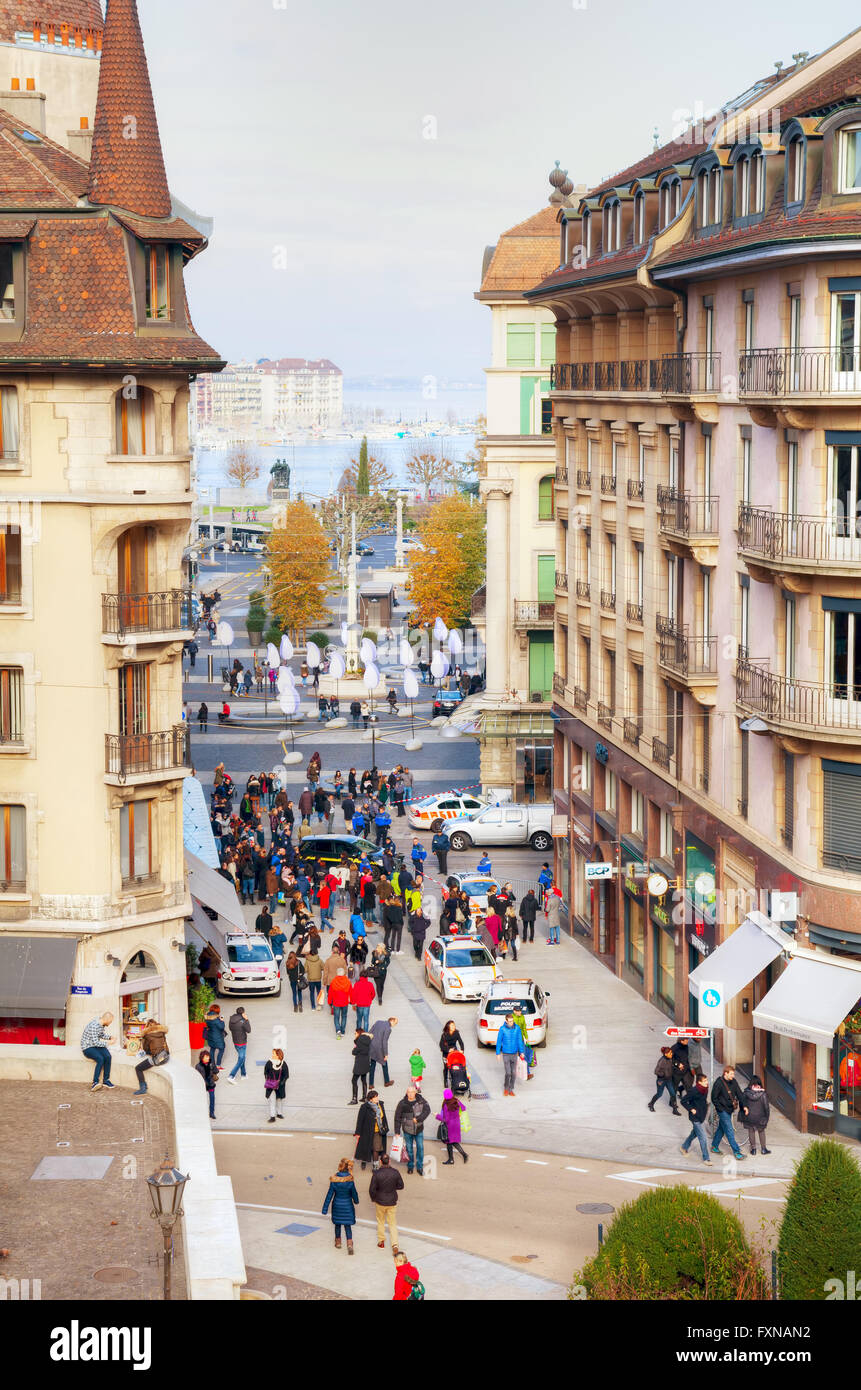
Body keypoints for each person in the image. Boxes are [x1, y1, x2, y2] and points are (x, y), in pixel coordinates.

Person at [322, 1158, 360, 1254]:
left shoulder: (334, 1180)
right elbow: (354, 1193)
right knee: (347, 1226)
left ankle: (338, 1242)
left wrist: (325, 1209)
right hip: (347, 1205)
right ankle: (349, 1244)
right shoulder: (350, 1180)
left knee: (337, 1224)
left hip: (337, 1205)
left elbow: (329, 1195)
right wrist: (356, 1201)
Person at [710, 1065, 748, 1161]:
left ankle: (714, 1146)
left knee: (721, 1129)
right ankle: (737, 1152)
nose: (733, 1076)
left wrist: (745, 1106)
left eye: (733, 1074)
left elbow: (740, 1094)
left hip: (730, 1109)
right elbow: (713, 1098)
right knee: (730, 1130)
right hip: (722, 1111)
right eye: (731, 1074)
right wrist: (720, 1109)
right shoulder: (718, 1083)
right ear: (725, 1073)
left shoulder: (733, 1081)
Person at [369, 1151, 404, 1251]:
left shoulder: (376, 1174)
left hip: (380, 1201)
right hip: (392, 1201)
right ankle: (395, 1244)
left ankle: (381, 1242)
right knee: (392, 1223)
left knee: (380, 1221)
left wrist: (373, 1198)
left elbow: (372, 1189)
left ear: (380, 1161)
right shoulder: (395, 1172)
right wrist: (393, 1187)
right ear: (389, 1161)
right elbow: (401, 1186)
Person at [394, 1085, 431, 1175]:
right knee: (409, 1149)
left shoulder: (421, 1101)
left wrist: (418, 1119)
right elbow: (397, 1118)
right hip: (407, 1130)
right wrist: (397, 1132)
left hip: (419, 1129)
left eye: (412, 1092)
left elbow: (427, 1110)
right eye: (409, 1092)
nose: (410, 1094)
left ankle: (419, 1167)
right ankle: (410, 1166)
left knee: (420, 1148)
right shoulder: (402, 1103)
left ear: (415, 1093)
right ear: (407, 1093)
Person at [679, 1071, 713, 1165]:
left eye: (706, 1080)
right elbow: (683, 1101)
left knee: (694, 1134)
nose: (707, 1082)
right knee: (703, 1138)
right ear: (699, 1082)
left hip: (702, 1115)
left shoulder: (705, 1089)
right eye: (705, 1081)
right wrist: (691, 1109)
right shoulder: (694, 1091)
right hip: (695, 1117)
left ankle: (684, 1147)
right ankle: (706, 1158)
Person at [132, 1015, 169, 1095]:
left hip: (158, 1059)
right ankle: (143, 1087)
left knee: (138, 1068)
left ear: (148, 1027)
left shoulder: (147, 1035)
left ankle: (143, 1088)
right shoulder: (162, 1033)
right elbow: (166, 1046)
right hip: (166, 1056)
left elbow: (146, 1049)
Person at [354, 1088, 388, 1171]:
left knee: (376, 1149)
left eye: (377, 1096)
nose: (377, 1098)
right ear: (370, 1099)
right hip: (367, 1131)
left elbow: (383, 1117)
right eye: (375, 1097)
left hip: (378, 1131)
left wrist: (385, 1126)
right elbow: (360, 1120)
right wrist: (357, 1132)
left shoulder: (381, 1104)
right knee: (366, 1147)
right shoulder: (365, 1107)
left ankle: (375, 1167)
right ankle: (364, 1161)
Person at [81, 1012, 116, 1092]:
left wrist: (110, 1037)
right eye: (110, 1021)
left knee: (108, 1056)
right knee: (100, 1059)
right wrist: (109, 1043)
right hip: (87, 1047)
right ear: (107, 1019)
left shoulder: (101, 1024)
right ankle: (95, 1082)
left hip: (94, 1045)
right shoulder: (94, 1026)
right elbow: (96, 1042)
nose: (110, 1023)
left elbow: (101, 1035)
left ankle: (106, 1080)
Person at [496, 1012, 525, 1097]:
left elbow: (520, 1041)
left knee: (513, 1073)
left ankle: (511, 1089)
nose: (511, 1023)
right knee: (508, 1073)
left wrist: (521, 1052)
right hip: (506, 1054)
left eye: (512, 1021)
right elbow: (499, 1041)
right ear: (506, 1021)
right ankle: (506, 1088)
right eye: (509, 1021)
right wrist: (498, 1053)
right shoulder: (502, 1029)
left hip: (514, 1054)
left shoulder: (517, 1028)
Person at [436, 1088, 469, 1165]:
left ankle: (457, 1157)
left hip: (449, 1126)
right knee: (452, 1142)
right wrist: (458, 1114)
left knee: (450, 1142)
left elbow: (445, 1119)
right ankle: (454, 1158)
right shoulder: (456, 1101)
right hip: (456, 1124)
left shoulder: (446, 1105)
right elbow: (464, 1108)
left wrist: (437, 1116)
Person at [741, 1075, 771, 1155]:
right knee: (761, 1131)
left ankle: (753, 1150)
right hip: (760, 1117)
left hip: (749, 1117)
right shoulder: (763, 1094)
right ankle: (763, 1149)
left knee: (751, 1131)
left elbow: (742, 1103)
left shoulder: (746, 1092)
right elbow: (766, 1107)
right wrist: (767, 1117)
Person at [649, 1046, 682, 1115]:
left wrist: (678, 1065)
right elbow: (656, 1071)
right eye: (670, 1053)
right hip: (661, 1081)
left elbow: (673, 1063)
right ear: (665, 1054)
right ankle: (651, 1104)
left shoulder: (670, 1059)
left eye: (671, 1053)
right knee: (659, 1094)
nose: (671, 1054)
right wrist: (664, 1074)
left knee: (673, 1094)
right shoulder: (662, 1061)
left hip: (668, 1080)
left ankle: (674, 1110)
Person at [369, 1015, 397, 1088]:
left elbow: (370, 1032)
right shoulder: (388, 1029)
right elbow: (384, 1042)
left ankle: (371, 1084)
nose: (395, 1025)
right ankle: (387, 1082)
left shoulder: (378, 1022)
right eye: (395, 1023)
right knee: (384, 1064)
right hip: (379, 1049)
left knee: (372, 1065)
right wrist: (386, 1054)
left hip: (371, 1046)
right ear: (392, 1020)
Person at [264, 1047, 289, 1122]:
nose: (272, 1055)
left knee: (279, 1100)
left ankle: (279, 1113)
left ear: (278, 1055)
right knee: (272, 1101)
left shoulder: (283, 1064)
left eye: (274, 1053)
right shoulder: (269, 1063)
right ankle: (272, 1116)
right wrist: (268, 1081)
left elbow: (286, 1075)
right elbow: (265, 1072)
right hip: (271, 1086)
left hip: (280, 1086)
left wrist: (281, 1083)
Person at [226, 1007, 251, 1083]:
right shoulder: (243, 1021)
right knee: (241, 1059)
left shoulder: (231, 1019)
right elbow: (249, 1030)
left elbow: (230, 1028)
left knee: (242, 1058)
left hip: (235, 1042)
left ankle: (243, 1075)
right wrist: (247, 1020)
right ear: (243, 1013)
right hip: (242, 1043)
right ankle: (231, 1076)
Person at [511, 1004, 534, 1081]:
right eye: (518, 1011)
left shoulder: (522, 1017)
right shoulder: (511, 1018)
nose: (519, 1012)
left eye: (520, 1010)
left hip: (520, 1040)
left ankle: (527, 1073)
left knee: (524, 1056)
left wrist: (526, 1038)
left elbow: (524, 1028)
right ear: (514, 1011)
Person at [439, 1020, 465, 1087]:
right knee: (446, 1067)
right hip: (446, 1052)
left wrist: (462, 1049)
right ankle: (445, 1080)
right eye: (452, 1025)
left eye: (454, 1025)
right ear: (448, 1027)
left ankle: (455, 1079)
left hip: (454, 1051)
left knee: (455, 1066)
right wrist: (448, 1050)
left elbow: (461, 1042)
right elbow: (441, 1045)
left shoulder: (456, 1033)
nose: (454, 1026)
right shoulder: (444, 1035)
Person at [328, 966, 352, 1037]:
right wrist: (352, 1001)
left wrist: (329, 1002)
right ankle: (343, 1031)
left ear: (337, 973)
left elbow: (330, 993)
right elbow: (351, 992)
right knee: (344, 1016)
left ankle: (338, 1029)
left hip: (336, 1002)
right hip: (345, 1002)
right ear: (344, 973)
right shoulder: (347, 981)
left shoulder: (334, 981)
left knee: (336, 1017)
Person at [351, 1027, 372, 1105]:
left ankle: (354, 1099)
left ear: (358, 1033)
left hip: (359, 1063)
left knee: (354, 1080)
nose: (355, 1035)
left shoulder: (359, 1041)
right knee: (363, 1080)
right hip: (366, 1062)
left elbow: (354, 1052)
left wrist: (354, 1049)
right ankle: (365, 1097)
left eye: (355, 1033)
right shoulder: (368, 1040)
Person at [196, 1048, 218, 1119]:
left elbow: (216, 1071)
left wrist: (214, 1071)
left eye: (208, 1056)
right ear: (202, 1058)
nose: (208, 1058)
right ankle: (201, 1113)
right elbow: (197, 1076)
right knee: (202, 1099)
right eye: (206, 1057)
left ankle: (212, 1113)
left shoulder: (211, 1064)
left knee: (212, 1099)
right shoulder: (198, 1066)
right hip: (203, 1085)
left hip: (211, 1084)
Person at [203, 1003, 226, 1069]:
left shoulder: (207, 1017)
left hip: (210, 1036)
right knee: (221, 1049)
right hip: (217, 1037)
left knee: (212, 1049)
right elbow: (221, 1027)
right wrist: (222, 1021)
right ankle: (218, 1065)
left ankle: (212, 1064)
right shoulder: (216, 1020)